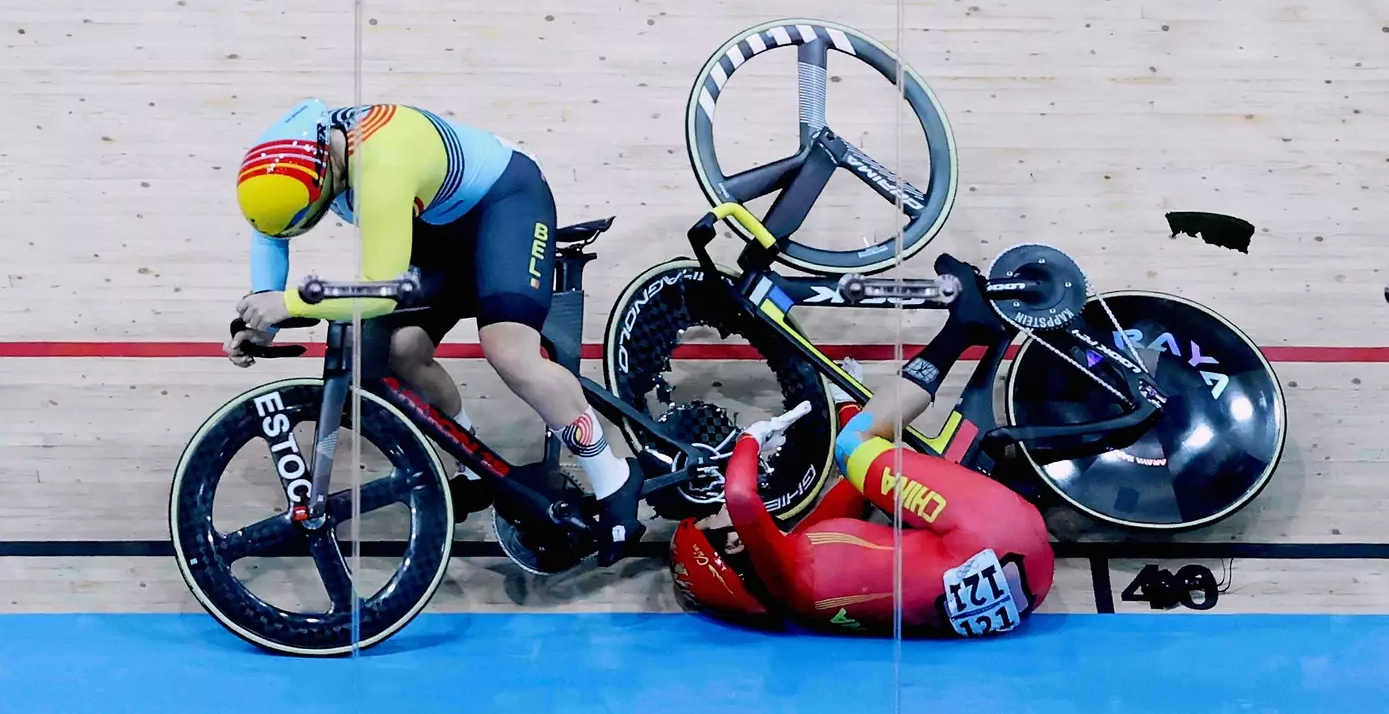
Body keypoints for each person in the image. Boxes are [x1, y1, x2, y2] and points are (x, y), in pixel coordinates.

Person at [223, 99, 644, 564]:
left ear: (329, 163)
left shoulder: (382, 160)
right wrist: (262, 316)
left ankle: (613, 476)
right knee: (400, 351)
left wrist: (289, 302)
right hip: (436, 227)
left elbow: (379, 293)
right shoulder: (281, 161)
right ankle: (472, 467)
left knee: (509, 351)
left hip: (505, 204)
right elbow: (270, 234)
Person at [670, 258, 1055, 636]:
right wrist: (752, 438)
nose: (717, 506)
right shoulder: (784, 571)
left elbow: (857, 490)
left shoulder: (803, 582)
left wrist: (846, 403)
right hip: (992, 533)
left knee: (879, 472)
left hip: (1028, 586)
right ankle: (964, 324)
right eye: (711, 518)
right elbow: (740, 495)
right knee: (853, 444)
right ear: (736, 543)